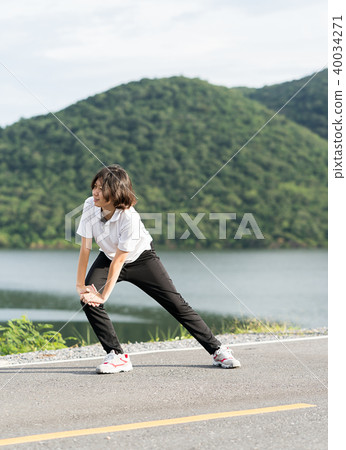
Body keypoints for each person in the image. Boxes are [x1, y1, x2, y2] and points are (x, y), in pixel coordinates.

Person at [76, 164, 241, 374]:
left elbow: (120, 261)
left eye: (101, 188)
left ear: (115, 193)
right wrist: (80, 284)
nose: (95, 192)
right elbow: (86, 247)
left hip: (141, 259)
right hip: (108, 257)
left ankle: (217, 350)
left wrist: (103, 296)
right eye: (95, 186)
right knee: (88, 298)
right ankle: (116, 355)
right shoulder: (90, 205)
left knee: (176, 304)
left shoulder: (129, 218)